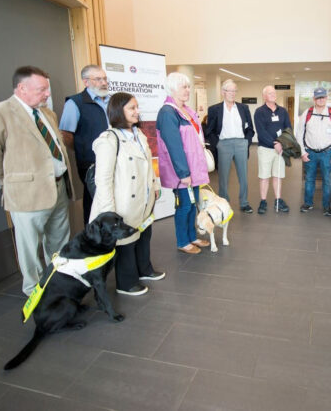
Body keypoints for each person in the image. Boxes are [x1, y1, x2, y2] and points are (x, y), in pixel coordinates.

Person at [0, 66, 75, 296]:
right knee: (30, 247)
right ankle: (34, 291)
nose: (47, 94)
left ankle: (58, 283)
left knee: (59, 242)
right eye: (41, 89)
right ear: (22, 88)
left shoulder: (47, 114)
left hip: (59, 187)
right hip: (27, 194)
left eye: (47, 89)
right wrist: (11, 183)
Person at [89, 92, 164, 296]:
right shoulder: (109, 139)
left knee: (143, 234)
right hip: (123, 201)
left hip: (144, 198)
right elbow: (102, 179)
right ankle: (126, 283)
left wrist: (155, 186)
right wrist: (107, 211)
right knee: (126, 241)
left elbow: (149, 165)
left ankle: (144, 270)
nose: (137, 111)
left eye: (137, 107)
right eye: (132, 108)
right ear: (117, 111)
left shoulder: (138, 134)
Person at [156, 72, 211, 254]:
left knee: (192, 204)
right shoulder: (167, 113)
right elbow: (174, 146)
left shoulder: (186, 111)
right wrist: (183, 173)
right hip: (181, 172)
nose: (187, 90)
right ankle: (182, 241)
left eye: (188, 86)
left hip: (192, 169)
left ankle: (192, 236)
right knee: (184, 206)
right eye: (183, 87)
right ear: (172, 89)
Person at [59, 64, 111, 224]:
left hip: (115, 159)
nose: (103, 82)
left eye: (104, 78)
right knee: (95, 204)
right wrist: (83, 150)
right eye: (98, 79)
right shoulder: (75, 103)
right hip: (90, 163)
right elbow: (66, 134)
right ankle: (94, 242)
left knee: (112, 202)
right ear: (86, 82)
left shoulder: (113, 100)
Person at [205, 79, 255, 213]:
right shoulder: (214, 109)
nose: (233, 93)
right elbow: (209, 131)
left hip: (241, 144)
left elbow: (250, 128)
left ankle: (244, 203)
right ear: (223, 92)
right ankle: (223, 203)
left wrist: (246, 142)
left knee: (243, 176)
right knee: (223, 177)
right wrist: (218, 145)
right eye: (230, 91)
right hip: (224, 144)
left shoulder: (243, 108)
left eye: (235, 91)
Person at [296, 87, 331, 215]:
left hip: (327, 153)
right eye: (318, 98)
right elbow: (299, 134)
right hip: (310, 152)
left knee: (327, 181)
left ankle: (327, 207)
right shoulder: (307, 113)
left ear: (326, 98)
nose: (321, 100)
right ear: (314, 99)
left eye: (323, 97)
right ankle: (308, 203)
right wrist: (302, 152)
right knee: (309, 179)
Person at [254, 85, 292, 214]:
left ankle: (278, 200)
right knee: (264, 177)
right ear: (264, 96)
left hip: (280, 149)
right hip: (266, 149)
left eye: (274, 93)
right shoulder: (259, 112)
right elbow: (261, 132)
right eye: (270, 93)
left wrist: (282, 143)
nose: (273, 94)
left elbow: (288, 128)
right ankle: (263, 201)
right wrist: (274, 143)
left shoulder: (283, 111)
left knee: (278, 175)